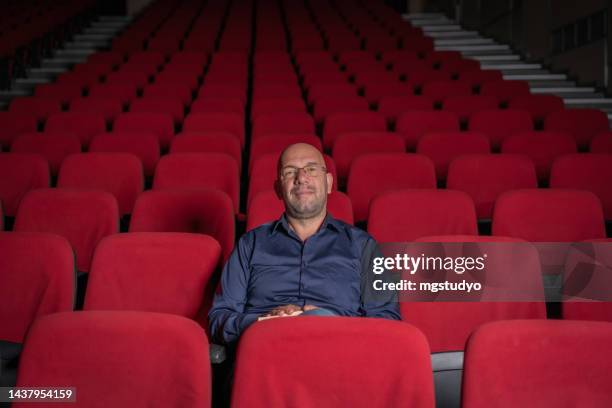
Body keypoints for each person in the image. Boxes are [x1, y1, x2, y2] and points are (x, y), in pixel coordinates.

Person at [209, 143, 400, 345]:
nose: (301, 178)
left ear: (328, 183)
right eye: (290, 172)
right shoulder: (249, 244)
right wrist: (261, 322)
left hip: (339, 349)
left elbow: (387, 320)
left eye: (311, 169)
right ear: (278, 189)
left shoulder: (363, 246)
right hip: (266, 350)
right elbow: (219, 318)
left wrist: (331, 321)